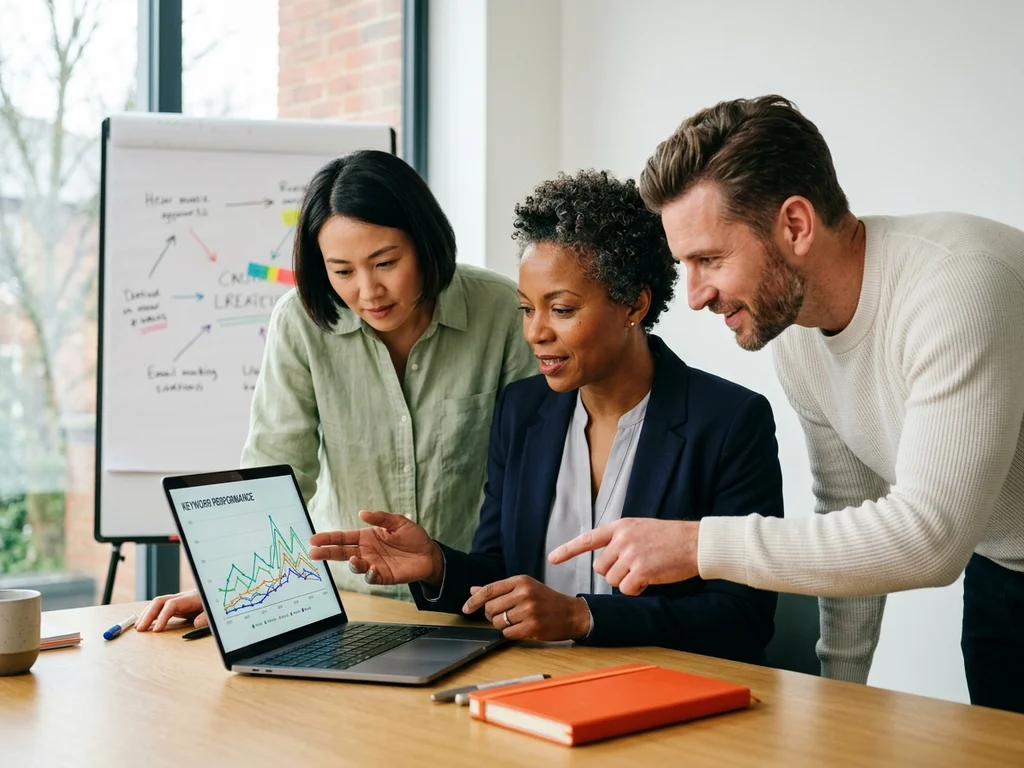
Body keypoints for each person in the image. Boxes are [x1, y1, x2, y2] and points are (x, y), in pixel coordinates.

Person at [548, 95, 1024, 712]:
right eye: (683, 265)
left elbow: (928, 537)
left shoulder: (956, 287)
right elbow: (849, 513)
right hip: (1005, 570)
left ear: (795, 225)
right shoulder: (798, 341)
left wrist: (698, 546)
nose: (693, 296)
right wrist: (838, 696)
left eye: (709, 259)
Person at [309, 170, 783, 662]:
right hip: (534, 684)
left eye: (560, 309)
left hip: (666, 696)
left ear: (634, 305)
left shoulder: (730, 422)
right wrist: (435, 565)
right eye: (526, 309)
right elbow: (499, 573)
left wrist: (584, 616)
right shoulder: (522, 409)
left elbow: (743, 619)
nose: (535, 332)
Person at [136, 150, 536, 632]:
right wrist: (225, 587)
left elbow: (530, 477)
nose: (369, 291)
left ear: (426, 243)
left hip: (474, 602)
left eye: (385, 262)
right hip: (350, 604)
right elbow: (275, 467)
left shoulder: (502, 311)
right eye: (342, 271)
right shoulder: (301, 322)